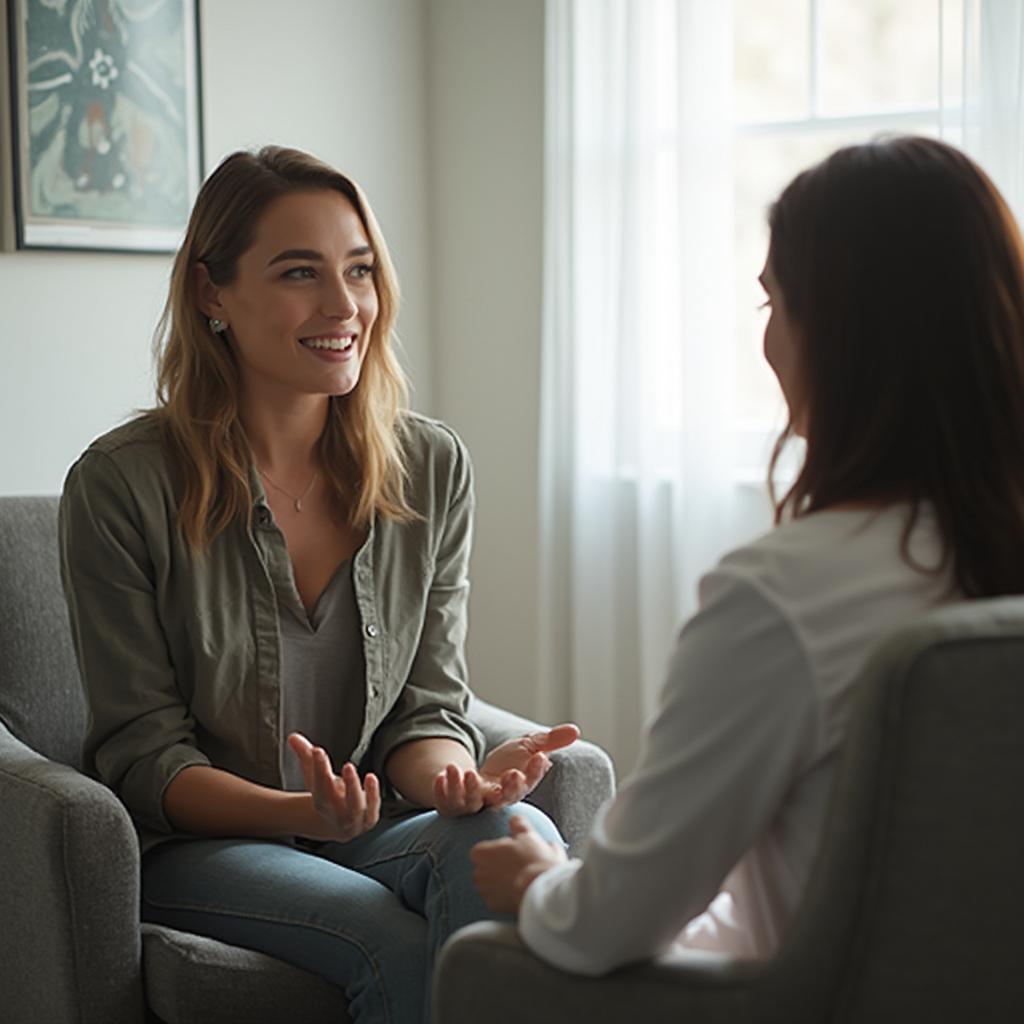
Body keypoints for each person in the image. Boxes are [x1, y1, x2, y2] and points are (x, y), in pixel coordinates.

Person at [470, 135, 1024, 973]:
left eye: (773, 306)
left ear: (839, 333)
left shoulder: (786, 596)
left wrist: (545, 882)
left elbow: (608, 925)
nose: (767, 344)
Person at [58, 145, 578, 1024]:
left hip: (366, 825)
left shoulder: (429, 466)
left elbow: (425, 709)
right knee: (385, 936)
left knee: (512, 837)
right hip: (200, 844)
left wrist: (458, 779)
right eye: (301, 273)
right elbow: (146, 760)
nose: (346, 308)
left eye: (361, 271)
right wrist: (301, 811)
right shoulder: (121, 485)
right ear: (211, 294)